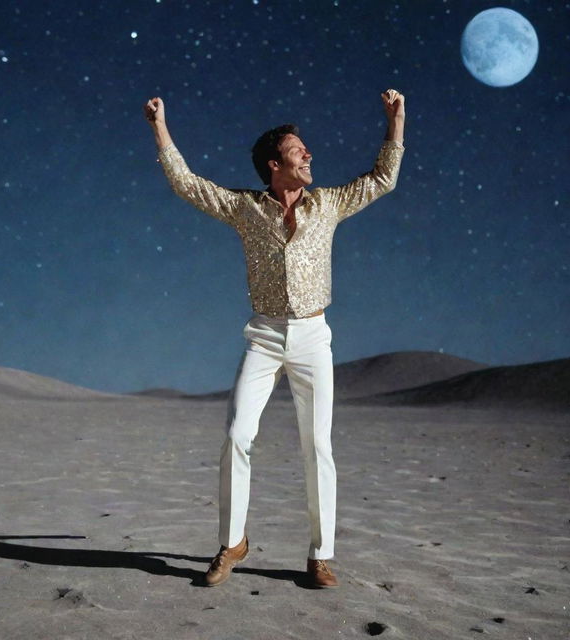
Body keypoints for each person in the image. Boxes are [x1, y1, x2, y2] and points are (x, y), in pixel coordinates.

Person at [143, 91, 405, 588]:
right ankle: (232, 543)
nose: (309, 155)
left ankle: (319, 556)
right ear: (273, 164)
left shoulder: (326, 203)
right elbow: (186, 183)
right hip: (263, 335)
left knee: (317, 446)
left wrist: (395, 122)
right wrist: (160, 126)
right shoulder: (246, 209)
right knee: (238, 435)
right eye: (298, 150)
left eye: (306, 150)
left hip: (312, 336)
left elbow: (382, 180)